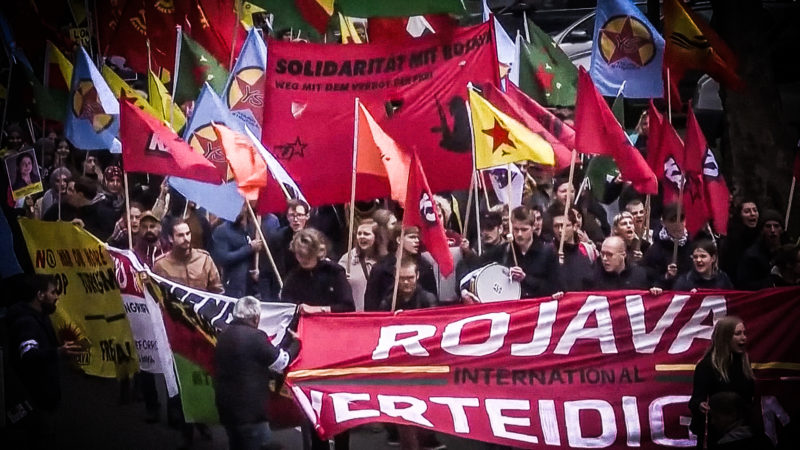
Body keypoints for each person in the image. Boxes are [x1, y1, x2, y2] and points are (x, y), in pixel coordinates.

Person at [7, 274, 82, 449]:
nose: (57, 297)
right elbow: (29, 356)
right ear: (40, 295)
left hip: (42, 398)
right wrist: (57, 352)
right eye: (53, 292)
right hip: (35, 400)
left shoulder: (40, 316)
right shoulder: (27, 323)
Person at [214, 296, 300, 450]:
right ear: (256, 318)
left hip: (227, 410)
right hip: (251, 414)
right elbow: (281, 361)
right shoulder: (255, 337)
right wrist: (296, 343)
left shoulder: (223, 334)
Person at [689, 316, 755, 449]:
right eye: (738, 334)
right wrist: (700, 405)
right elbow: (696, 399)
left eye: (744, 333)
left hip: (742, 432)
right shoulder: (706, 366)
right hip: (717, 432)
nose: (744, 338)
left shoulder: (744, 363)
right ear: (725, 337)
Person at [480, 205, 561, 298]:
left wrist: (525, 278)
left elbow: (554, 288)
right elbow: (478, 267)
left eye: (524, 229)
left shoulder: (548, 252)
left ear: (533, 227)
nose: (519, 234)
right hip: (512, 308)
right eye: (516, 229)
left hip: (537, 308)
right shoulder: (503, 251)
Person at [280, 228, 355, 313]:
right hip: (303, 324)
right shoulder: (293, 277)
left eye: (308, 255)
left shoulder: (334, 271)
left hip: (330, 323)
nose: (304, 259)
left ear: (318, 252)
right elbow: (285, 307)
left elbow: (348, 306)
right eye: (300, 255)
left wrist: (319, 309)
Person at [364, 225, 438, 311]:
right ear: (399, 240)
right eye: (412, 237)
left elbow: (432, 299)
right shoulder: (380, 268)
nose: (417, 241)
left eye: (418, 237)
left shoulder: (425, 267)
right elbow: (371, 302)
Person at [153, 219, 223, 293]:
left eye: (188, 233)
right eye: (180, 235)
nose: (186, 238)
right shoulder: (161, 265)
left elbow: (217, 291)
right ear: (171, 238)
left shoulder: (204, 259)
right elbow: (157, 295)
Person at [260, 199, 310, 301]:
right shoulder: (276, 238)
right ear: (287, 217)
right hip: (281, 289)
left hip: (307, 291)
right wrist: (267, 300)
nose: (296, 219)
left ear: (307, 216)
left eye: (300, 215)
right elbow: (265, 271)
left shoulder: (314, 238)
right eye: (292, 215)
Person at [212, 206, 263, 298]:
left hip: (253, 285)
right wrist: (249, 248)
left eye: (241, 206)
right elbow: (223, 258)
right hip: (234, 285)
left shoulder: (253, 227)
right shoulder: (222, 231)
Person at [642, 202, 693, 289]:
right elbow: (647, 279)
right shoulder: (655, 250)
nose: (678, 224)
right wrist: (666, 277)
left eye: (681, 218)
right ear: (663, 222)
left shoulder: (693, 244)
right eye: (672, 220)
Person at [737, 210, 786, 290]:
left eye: (776, 226)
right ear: (762, 230)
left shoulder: (788, 252)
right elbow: (744, 285)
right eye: (768, 226)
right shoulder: (751, 256)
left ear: (782, 229)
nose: (772, 230)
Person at [338, 219, 379, 311]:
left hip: (377, 314)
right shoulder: (347, 259)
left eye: (366, 234)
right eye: (359, 233)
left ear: (376, 237)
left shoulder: (384, 259)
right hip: (355, 314)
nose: (361, 236)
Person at [707, 392, 774, 449]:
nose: (712, 422)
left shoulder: (724, 444)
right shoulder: (764, 439)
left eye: (716, 417)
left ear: (733, 415)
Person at [595, 236, 661, 293]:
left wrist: (655, 292)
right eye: (602, 254)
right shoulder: (594, 278)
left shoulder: (641, 275)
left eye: (610, 255)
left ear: (623, 255)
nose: (604, 258)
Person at [552, 209, 595, 292]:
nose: (560, 230)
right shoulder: (547, 253)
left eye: (565, 226)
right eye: (556, 226)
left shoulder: (586, 252)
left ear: (575, 227)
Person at [720, 199, 760, 284]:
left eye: (755, 210)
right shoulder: (731, 240)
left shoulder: (763, 236)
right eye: (747, 211)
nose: (752, 214)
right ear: (739, 215)